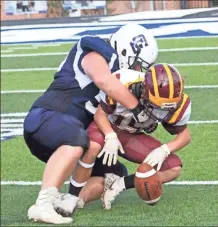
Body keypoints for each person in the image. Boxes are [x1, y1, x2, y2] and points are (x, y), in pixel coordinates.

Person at [23, 24, 158, 224]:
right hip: (46, 118)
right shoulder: (95, 50)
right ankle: (42, 204)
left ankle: (67, 201)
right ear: (125, 50)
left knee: (115, 171)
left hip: (70, 133)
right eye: (138, 65)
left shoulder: (119, 76)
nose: (138, 71)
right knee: (76, 138)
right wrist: (138, 110)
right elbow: (103, 80)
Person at [72, 63, 191, 209]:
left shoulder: (178, 103)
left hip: (131, 137)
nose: (160, 111)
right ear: (144, 91)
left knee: (173, 168)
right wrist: (110, 136)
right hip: (106, 127)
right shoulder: (124, 81)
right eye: (156, 105)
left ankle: (117, 184)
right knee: (93, 146)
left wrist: (164, 149)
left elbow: (185, 136)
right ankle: (72, 195)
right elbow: (100, 115)